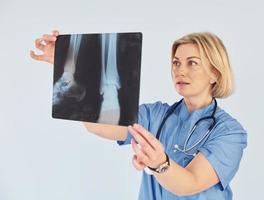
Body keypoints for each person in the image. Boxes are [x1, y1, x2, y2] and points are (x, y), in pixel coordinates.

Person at [30, 30, 247, 200]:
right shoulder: (157, 115)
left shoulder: (229, 133)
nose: (180, 70)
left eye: (192, 63)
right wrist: (66, 66)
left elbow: (190, 183)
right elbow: (100, 125)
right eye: (176, 63)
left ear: (215, 74)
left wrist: (159, 163)